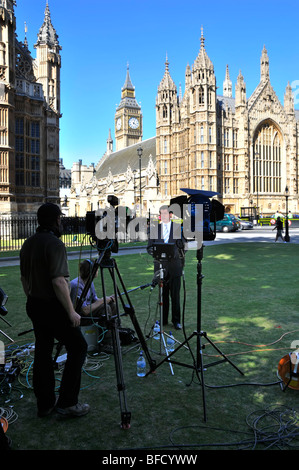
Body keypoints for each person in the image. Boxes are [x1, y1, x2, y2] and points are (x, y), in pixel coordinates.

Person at [20, 203, 89, 418]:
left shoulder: (27, 244)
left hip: (35, 304)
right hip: (53, 306)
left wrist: (32, 297)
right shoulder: (55, 244)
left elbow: (24, 279)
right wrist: (71, 311)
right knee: (78, 346)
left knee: (43, 351)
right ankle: (68, 402)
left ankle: (45, 404)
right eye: (60, 218)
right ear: (56, 220)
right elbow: (59, 281)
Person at [147, 205, 186, 330]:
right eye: (161, 214)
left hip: (175, 267)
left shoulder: (178, 228)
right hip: (160, 267)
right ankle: (163, 320)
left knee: (175, 296)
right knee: (163, 296)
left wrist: (177, 254)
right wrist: (157, 254)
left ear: (170, 214)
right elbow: (149, 247)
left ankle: (176, 321)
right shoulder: (155, 230)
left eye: (166, 213)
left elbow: (184, 246)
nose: (164, 216)